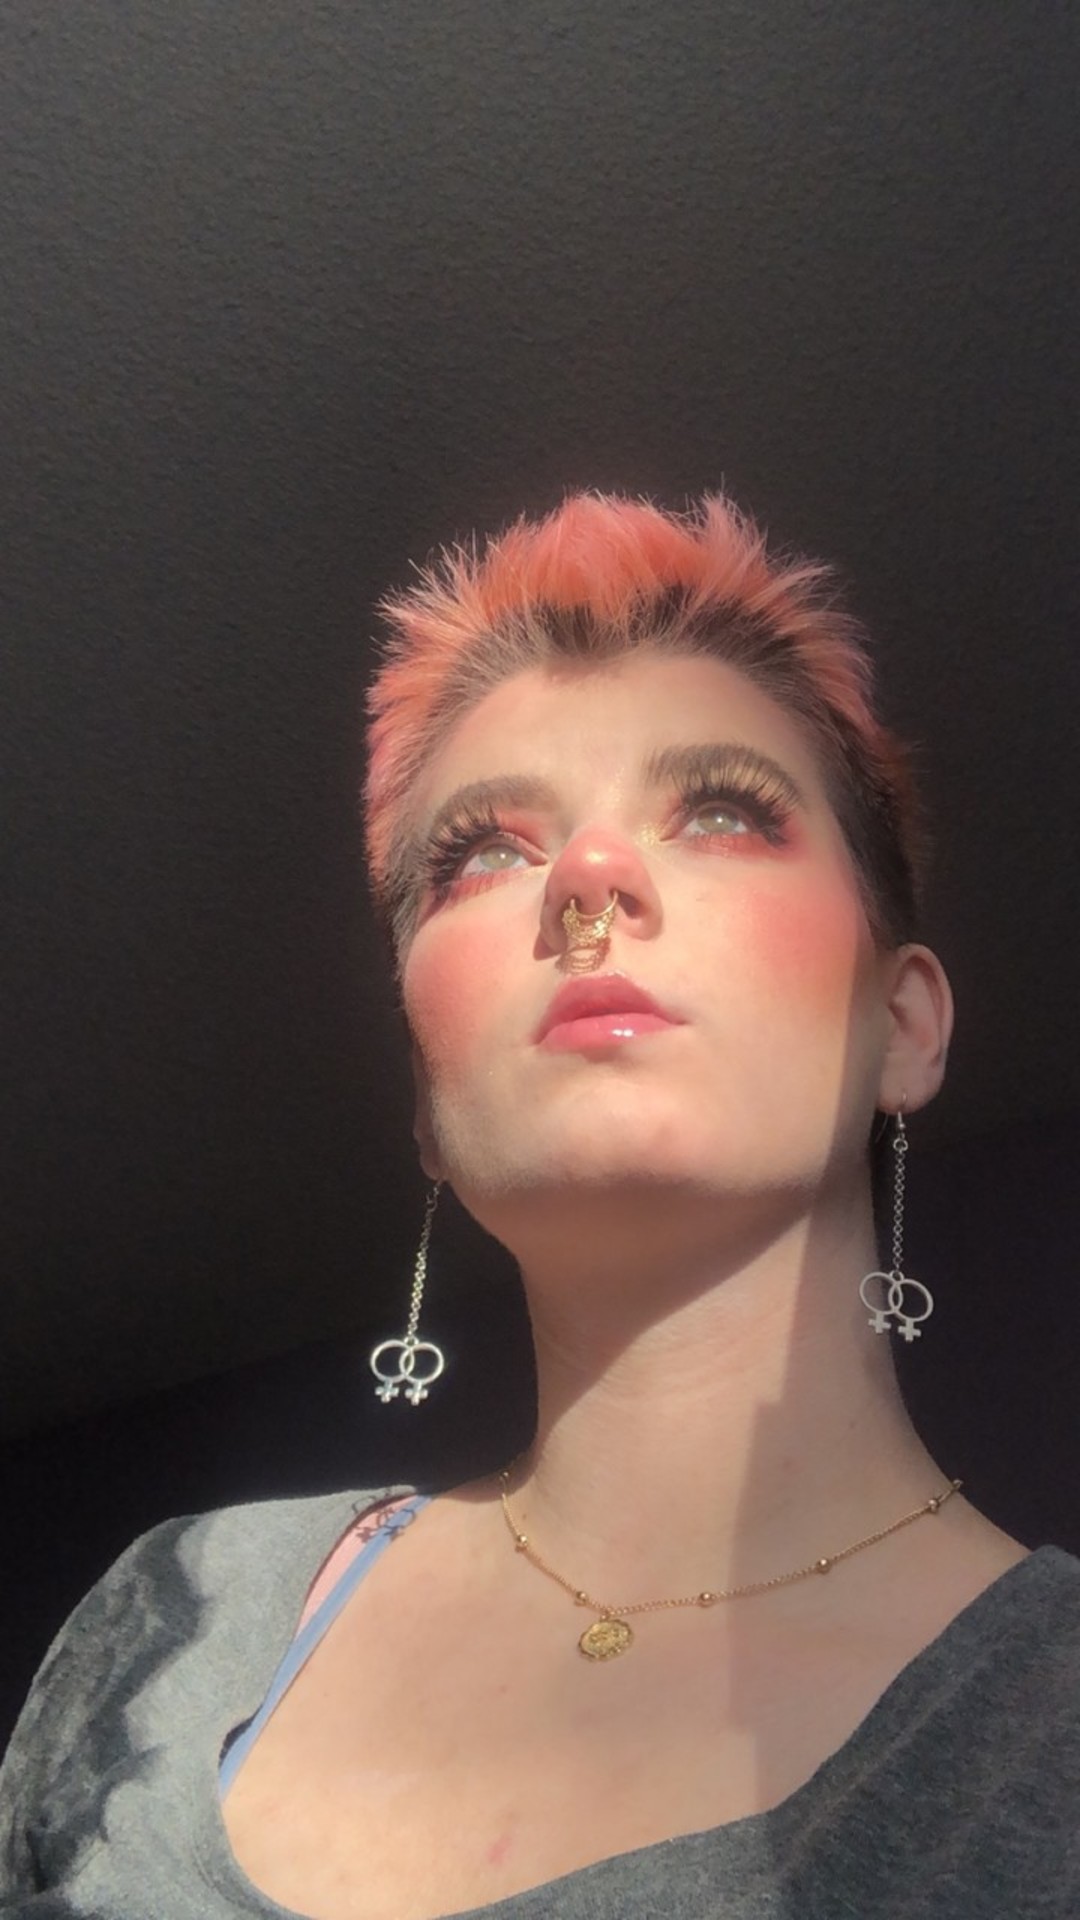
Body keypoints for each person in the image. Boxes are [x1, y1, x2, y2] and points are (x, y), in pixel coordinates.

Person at [2, 491, 1079, 1919]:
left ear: (904, 1025)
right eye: (485, 852)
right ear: (427, 1103)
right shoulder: (179, 1615)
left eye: (721, 812)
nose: (587, 876)